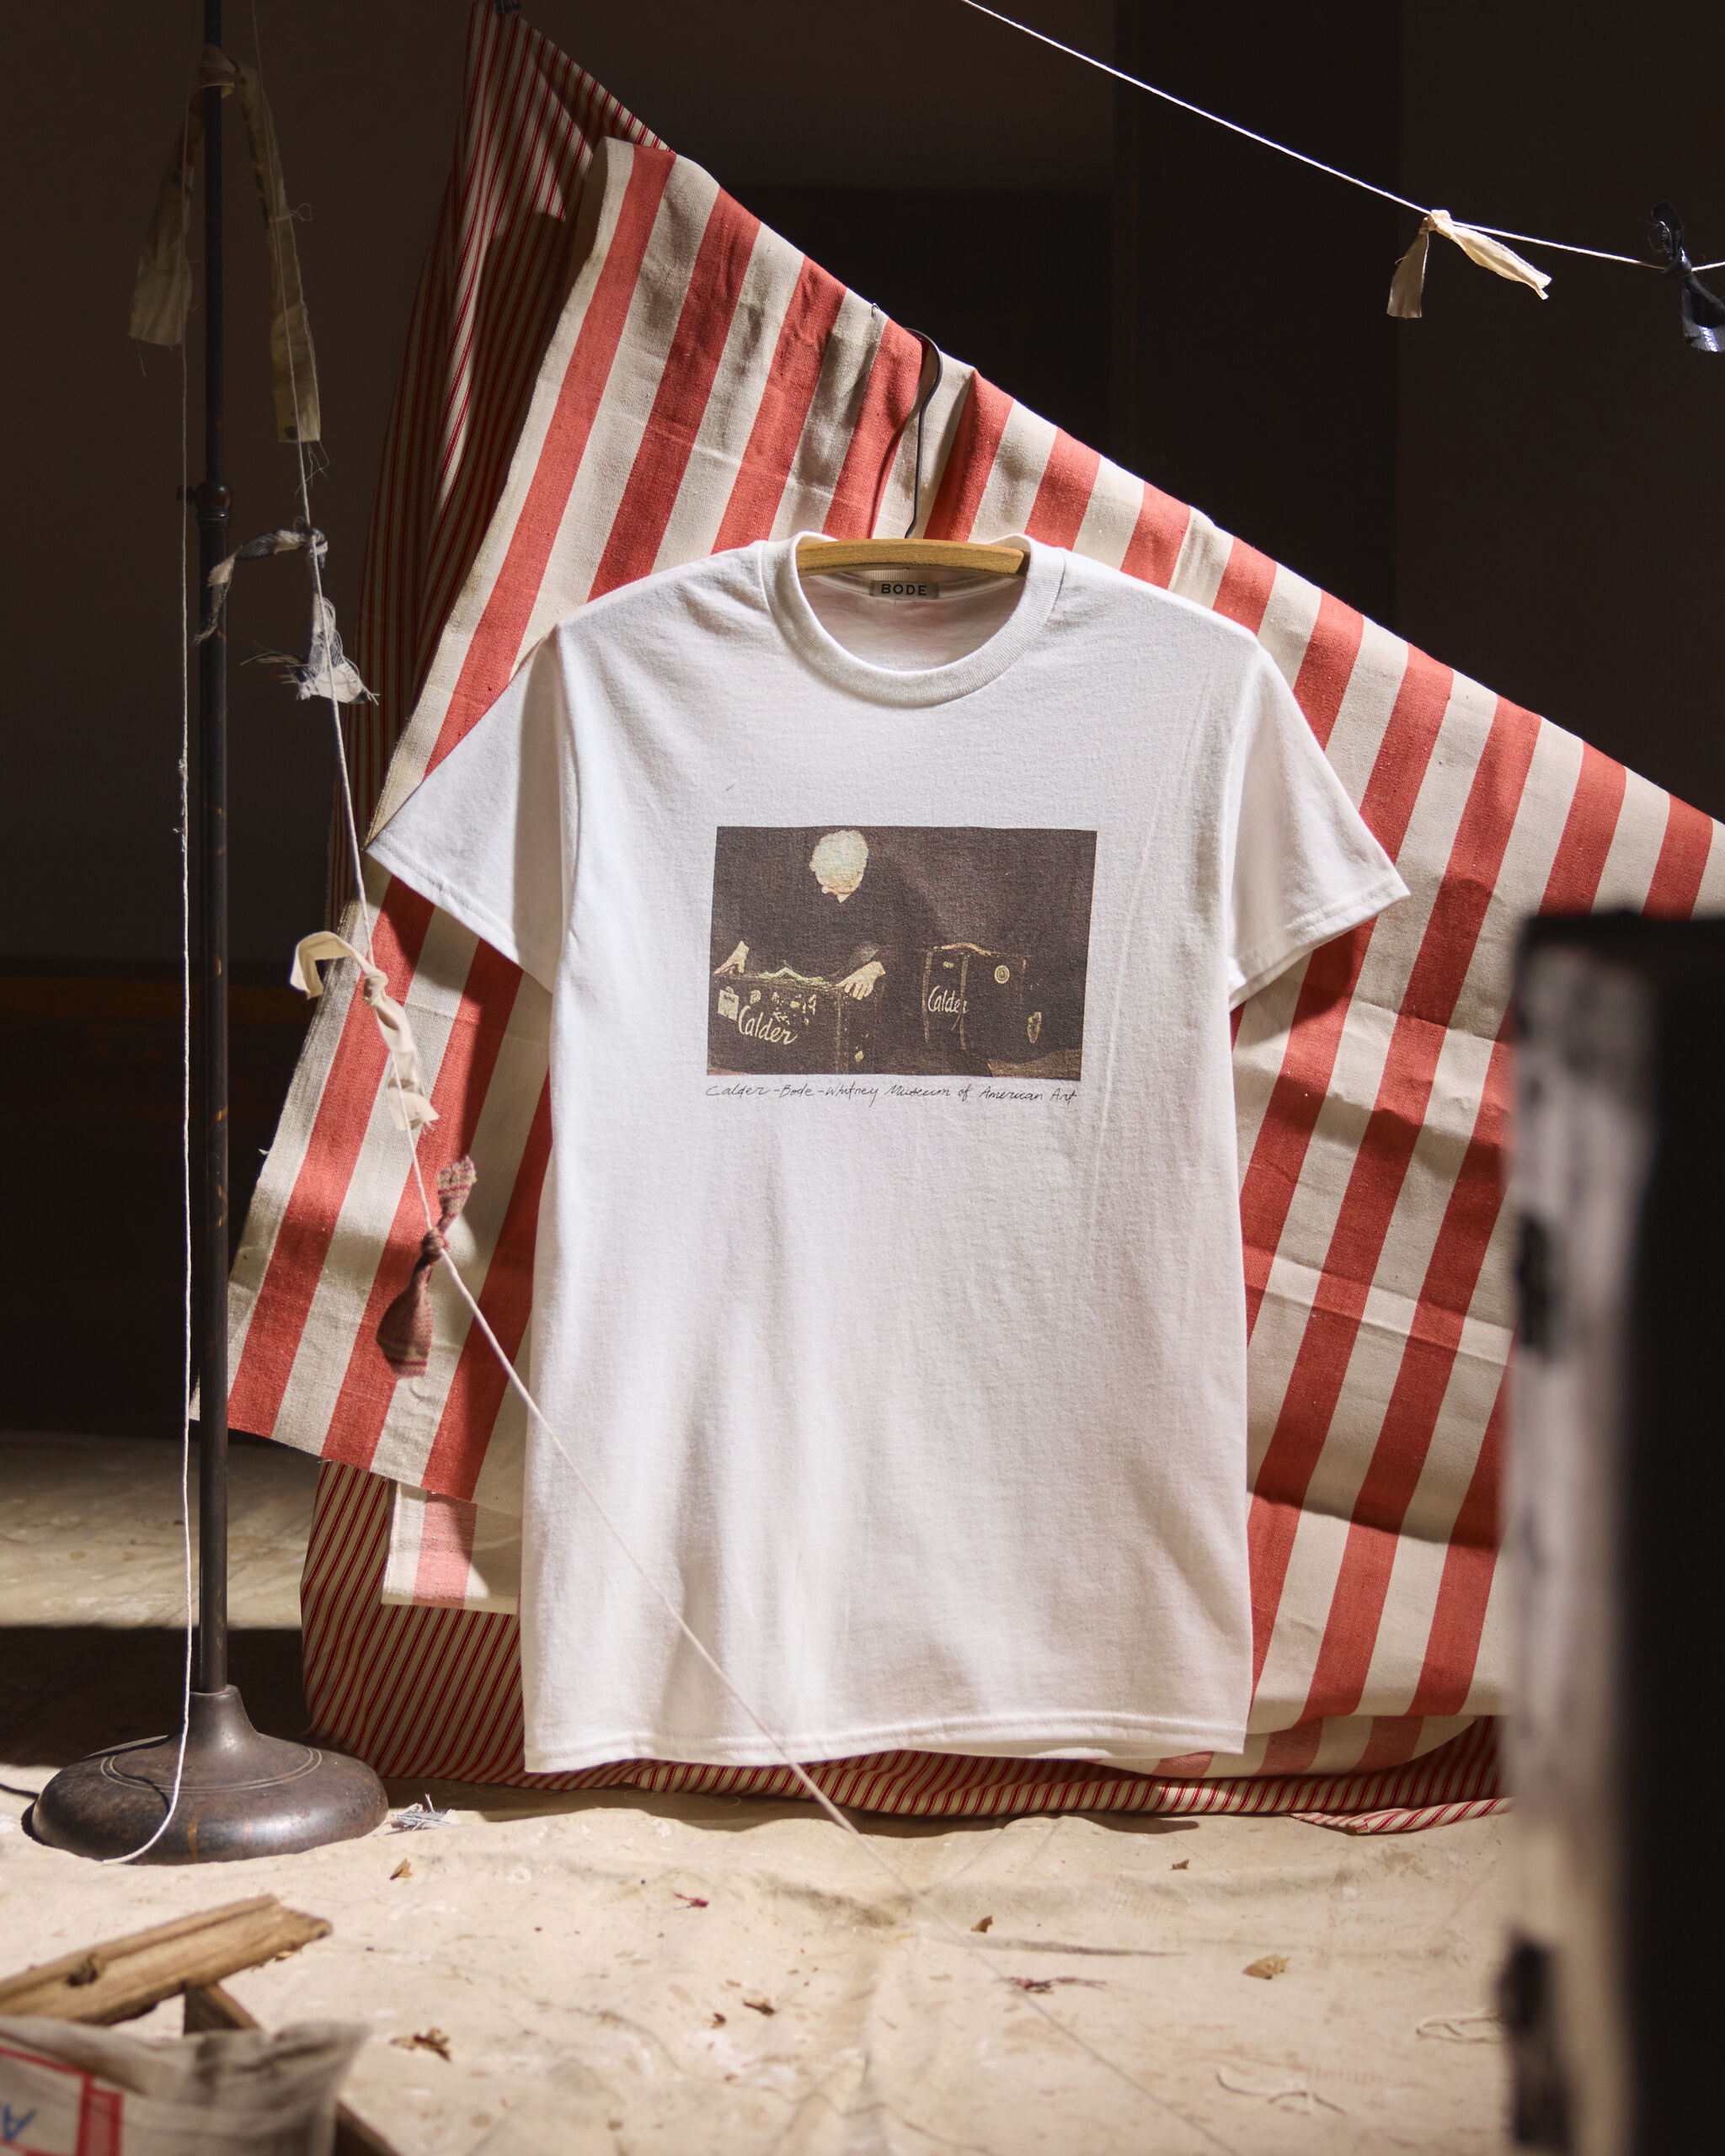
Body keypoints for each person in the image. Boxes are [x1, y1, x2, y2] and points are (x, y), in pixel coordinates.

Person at [712, 830, 920, 1019]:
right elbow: (771, 916)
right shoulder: (805, 880)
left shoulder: (885, 888)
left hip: (848, 979)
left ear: (854, 878)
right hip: (803, 972)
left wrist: (874, 969)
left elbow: (901, 943)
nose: (823, 891)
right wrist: (743, 947)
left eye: (831, 886)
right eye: (822, 883)